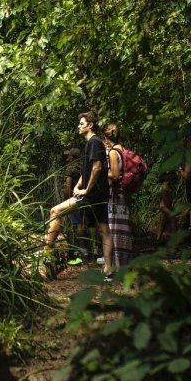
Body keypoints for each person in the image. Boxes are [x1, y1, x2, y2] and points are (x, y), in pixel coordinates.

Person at [45, 111, 111, 278]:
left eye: (82, 124)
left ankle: (45, 253)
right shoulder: (92, 143)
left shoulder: (94, 142)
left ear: (90, 125)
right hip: (96, 193)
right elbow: (87, 170)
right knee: (103, 230)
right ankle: (108, 270)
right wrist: (78, 185)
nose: (79, 126)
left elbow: (97, 168)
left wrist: (86, 190)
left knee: (55, 211)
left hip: (92, 195)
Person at [103, 124, 133, 277]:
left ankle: (119, 268)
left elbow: (114, 175)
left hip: (116, 196)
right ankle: (124, 265)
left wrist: (101, 172)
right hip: (123, 194)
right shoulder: (123, 149)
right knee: (123, 230)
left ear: (107, 138)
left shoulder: (114, 152)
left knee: (114, 230)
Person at [63, 148, 88, 265]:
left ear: (73, 157)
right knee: (83, 222)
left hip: (75, 198)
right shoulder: (84, 167)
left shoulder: (70, 168)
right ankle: (88, 250)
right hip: (86, 197)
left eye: (69, 156)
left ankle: (80, 251)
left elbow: (68, 185)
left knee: (77, 224)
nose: (67, 158)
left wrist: (67, 200)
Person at [156, 170, 177, 244]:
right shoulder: (165, 185)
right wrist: (168, 208)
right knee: (173, 218)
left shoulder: (169, 185)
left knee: (163, 222)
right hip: (164, 206)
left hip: (167, 206)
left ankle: (158, 239)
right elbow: (164, 196)